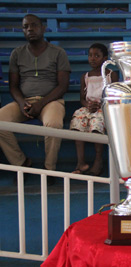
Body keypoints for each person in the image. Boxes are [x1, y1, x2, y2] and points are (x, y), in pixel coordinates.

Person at [0, 14, 70, 176]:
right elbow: (13, 86)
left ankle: (49, 169)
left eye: (34, 25)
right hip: (24, 102)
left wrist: (40, 104)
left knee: (53, 126)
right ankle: (22, 163)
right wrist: (22, 102)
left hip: (51, 101)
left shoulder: (58, 53)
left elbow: (63, 86)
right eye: (25, 27)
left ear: (43, 28)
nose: (30, 29)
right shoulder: (17, 53)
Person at [70, 43, 118, 176]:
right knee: (78, 120)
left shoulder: (111, 75)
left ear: (105, 58)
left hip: (105, 108)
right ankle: (81, 162)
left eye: (97, 56)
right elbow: (82, 98)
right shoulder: (85, 76)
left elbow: (114, 97)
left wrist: (101, 105)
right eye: (90, 55)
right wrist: (87, 105)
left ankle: (98, 161)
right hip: (89, 107)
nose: (93, 58)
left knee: (97, 122)